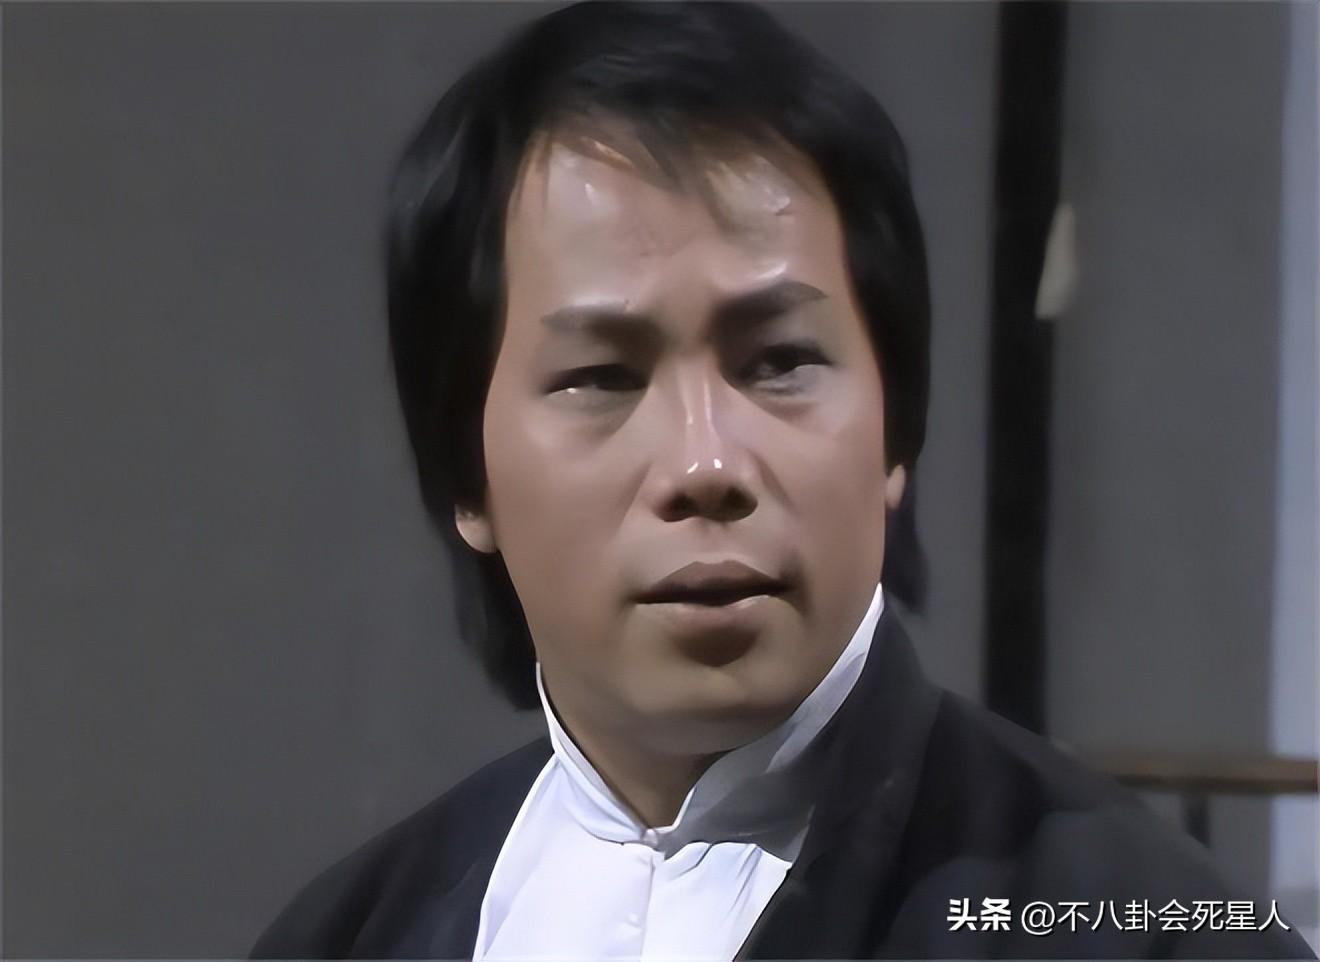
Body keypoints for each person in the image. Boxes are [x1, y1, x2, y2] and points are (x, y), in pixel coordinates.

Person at [250, 2, 1315, 958]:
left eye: (779, 362)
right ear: (466, 474)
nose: (706, 464)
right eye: (601, 377)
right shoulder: (351, 934)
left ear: (895, 430)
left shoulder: (1141, 932)